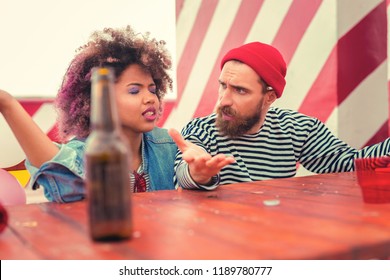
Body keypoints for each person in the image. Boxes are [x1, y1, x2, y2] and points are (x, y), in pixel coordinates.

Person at [168, 41, 390, 190]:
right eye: (222, 85)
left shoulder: (297, 129)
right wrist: (198, 174)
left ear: (270, 97)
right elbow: (183, 176)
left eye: (240, 90)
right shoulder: (201, 129)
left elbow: (348, 163)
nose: (224, 100)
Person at [0, 26, 177, 202]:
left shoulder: (167, 144)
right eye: (134, 91)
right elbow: (58, 172)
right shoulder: (85, 151)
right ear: (102, 99)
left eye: (152, 90)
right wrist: (8, 104)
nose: (150, 98)